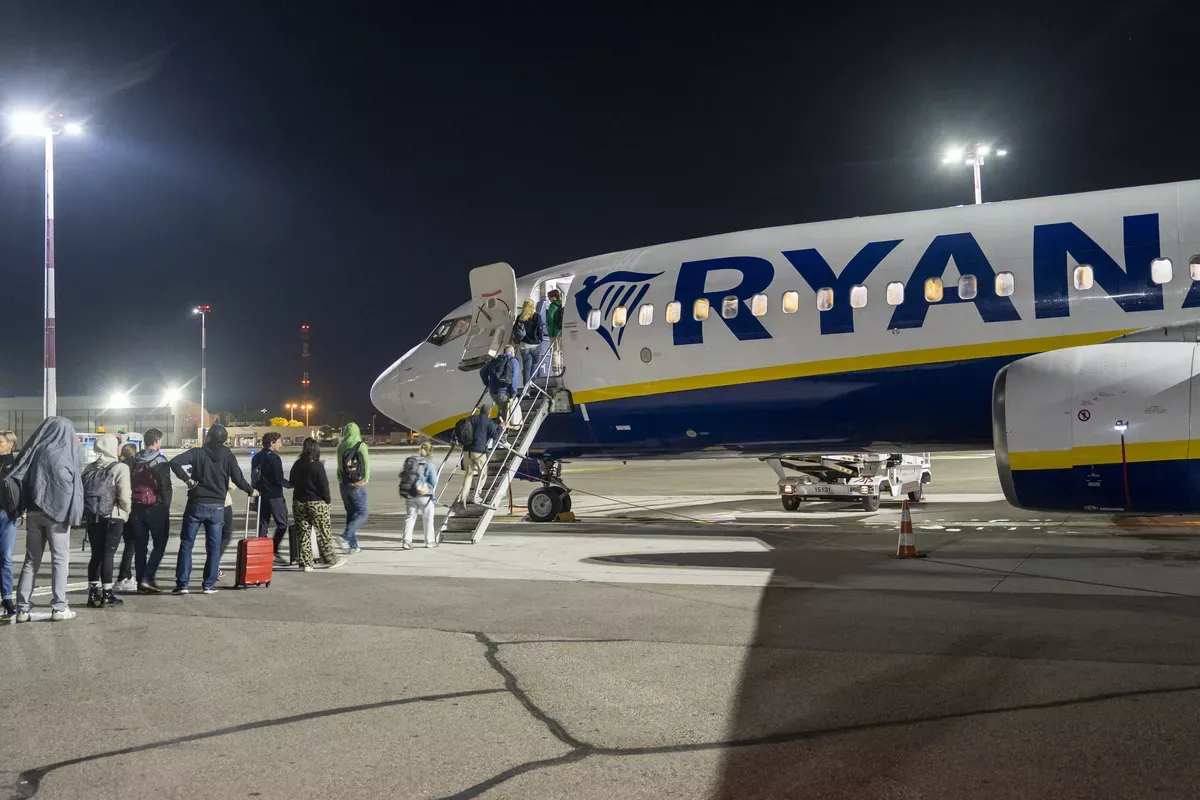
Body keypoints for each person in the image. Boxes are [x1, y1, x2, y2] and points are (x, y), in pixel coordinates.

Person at [11, 417, 85, 622]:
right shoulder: (67, 453)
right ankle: (59, 607)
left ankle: (22, 609)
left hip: (34, 512)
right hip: (57, 516)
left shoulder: (38, 449)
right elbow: (67, 485)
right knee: (59, 560)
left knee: (31, 560)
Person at [169, 424, 256, 595]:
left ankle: (182, 585)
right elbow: (238, 479)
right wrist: (251, 490)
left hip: (196, 503)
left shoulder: (197, 452)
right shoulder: (228, 456)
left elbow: (175, 462)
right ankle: (208, 584)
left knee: (187, 544)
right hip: (217, 506)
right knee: (214, 547)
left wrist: (188, 480)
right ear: (224, 440)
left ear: (208, 438)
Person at [83, 434, 132, 608]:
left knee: (96, 554)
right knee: (108, 555)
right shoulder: (120, 468)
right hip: (113, 516)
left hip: (93, 516)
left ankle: (93, 593)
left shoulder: (89, 468)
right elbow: (124, 495)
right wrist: (126, 511)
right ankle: (107, 593)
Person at [130, 428, 174, 594]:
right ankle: (147, 578)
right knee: (159, 545)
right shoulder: (160, 460)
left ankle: (141, 580)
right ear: (156, 441)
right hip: (155, 507)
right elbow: (165, 486)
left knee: (140, 547)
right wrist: (165, 506)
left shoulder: (134, 460)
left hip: (136, 506)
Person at [290, 437, 344, 571]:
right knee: (323, 532)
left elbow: (291, 482)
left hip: (299, 502)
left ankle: (306, 563)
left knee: (303, 534)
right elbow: (324, 485)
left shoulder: (297, 464)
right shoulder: (317, 465)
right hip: (316, 502)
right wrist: (327, 501)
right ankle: (331, 559)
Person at [251, 432, 291, 558]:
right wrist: (292, 484)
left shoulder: (256, 457)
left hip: (260, 496)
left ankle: (261, 552)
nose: (281, 444)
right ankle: (273, 549)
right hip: (274, 496)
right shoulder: (274, 458)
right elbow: (278, 479)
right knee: (282, 524)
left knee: (263, 525)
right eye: (279, 442)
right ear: (272, 443)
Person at [456, 404, 500, 509]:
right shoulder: (488, 422)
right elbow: (496, 436)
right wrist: (502, 427)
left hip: (467, 451)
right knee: (483, 473)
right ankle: (476, 495)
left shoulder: (471, 418)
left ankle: (463, 498)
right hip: (479, 452)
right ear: (489, 413)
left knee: (468, 475)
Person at [336, 422, 369, 554]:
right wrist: (365, 479)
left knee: (351, 514)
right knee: (363, 513)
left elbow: (340, 466)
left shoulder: (341, 446)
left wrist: (342, 481)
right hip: (357, 484)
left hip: (344, 484)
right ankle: (346, 536)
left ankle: (353, 545)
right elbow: (366, 464)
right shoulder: (361, 445)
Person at [113, 441, 140, 593]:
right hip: (128, 509)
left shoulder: (116, 466)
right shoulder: (132, 467)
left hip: (113, 511)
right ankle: (124, 575)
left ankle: (123, 575)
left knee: (111, 547)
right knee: (131, 544)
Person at [402, 441, 439, 549]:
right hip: (424, 495)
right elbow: (433, 481)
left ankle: (406, 541)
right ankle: (429, 541)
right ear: (431, 452)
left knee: (410, 517)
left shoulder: (413, 462)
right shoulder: (429, 464)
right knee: (428, 518)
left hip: (410, 493)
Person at [0, 430, 19, 623]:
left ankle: (7, 598)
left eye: (0, 442)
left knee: (5, 557)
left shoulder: (15, 465)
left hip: (8, 516)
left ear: (10, 445)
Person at [482, 345, 523, 427]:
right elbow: (514, 379)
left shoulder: (495, 360)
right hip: (504, 392)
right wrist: (514, 394)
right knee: (506, 417)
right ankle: (502, 437)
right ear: (512, 352)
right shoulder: (513, 361)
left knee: (501, 412)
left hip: (493, 393)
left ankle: (497, 434)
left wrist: (487, 383)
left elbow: (482, 372)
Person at [514, 299, 546, 386]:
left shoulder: (520, 317)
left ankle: (526, 389)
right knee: (535, 363)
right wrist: (540, 339)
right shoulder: (537, 316)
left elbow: (515, 330)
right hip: (535, 344)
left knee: (526, 367)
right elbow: (540, 328)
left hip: (524, 345)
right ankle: (533, 382)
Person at [546, 289, 564, 375]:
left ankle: (556, 371)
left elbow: (550, 320)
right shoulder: (563, 304)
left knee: (555, 352)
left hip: (555, 332)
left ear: (553, 297)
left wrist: (550, 334)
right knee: (562, 351)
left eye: (549, 297)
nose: (549, 299)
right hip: (563, 332)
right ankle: (563, 368)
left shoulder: (552, 306)